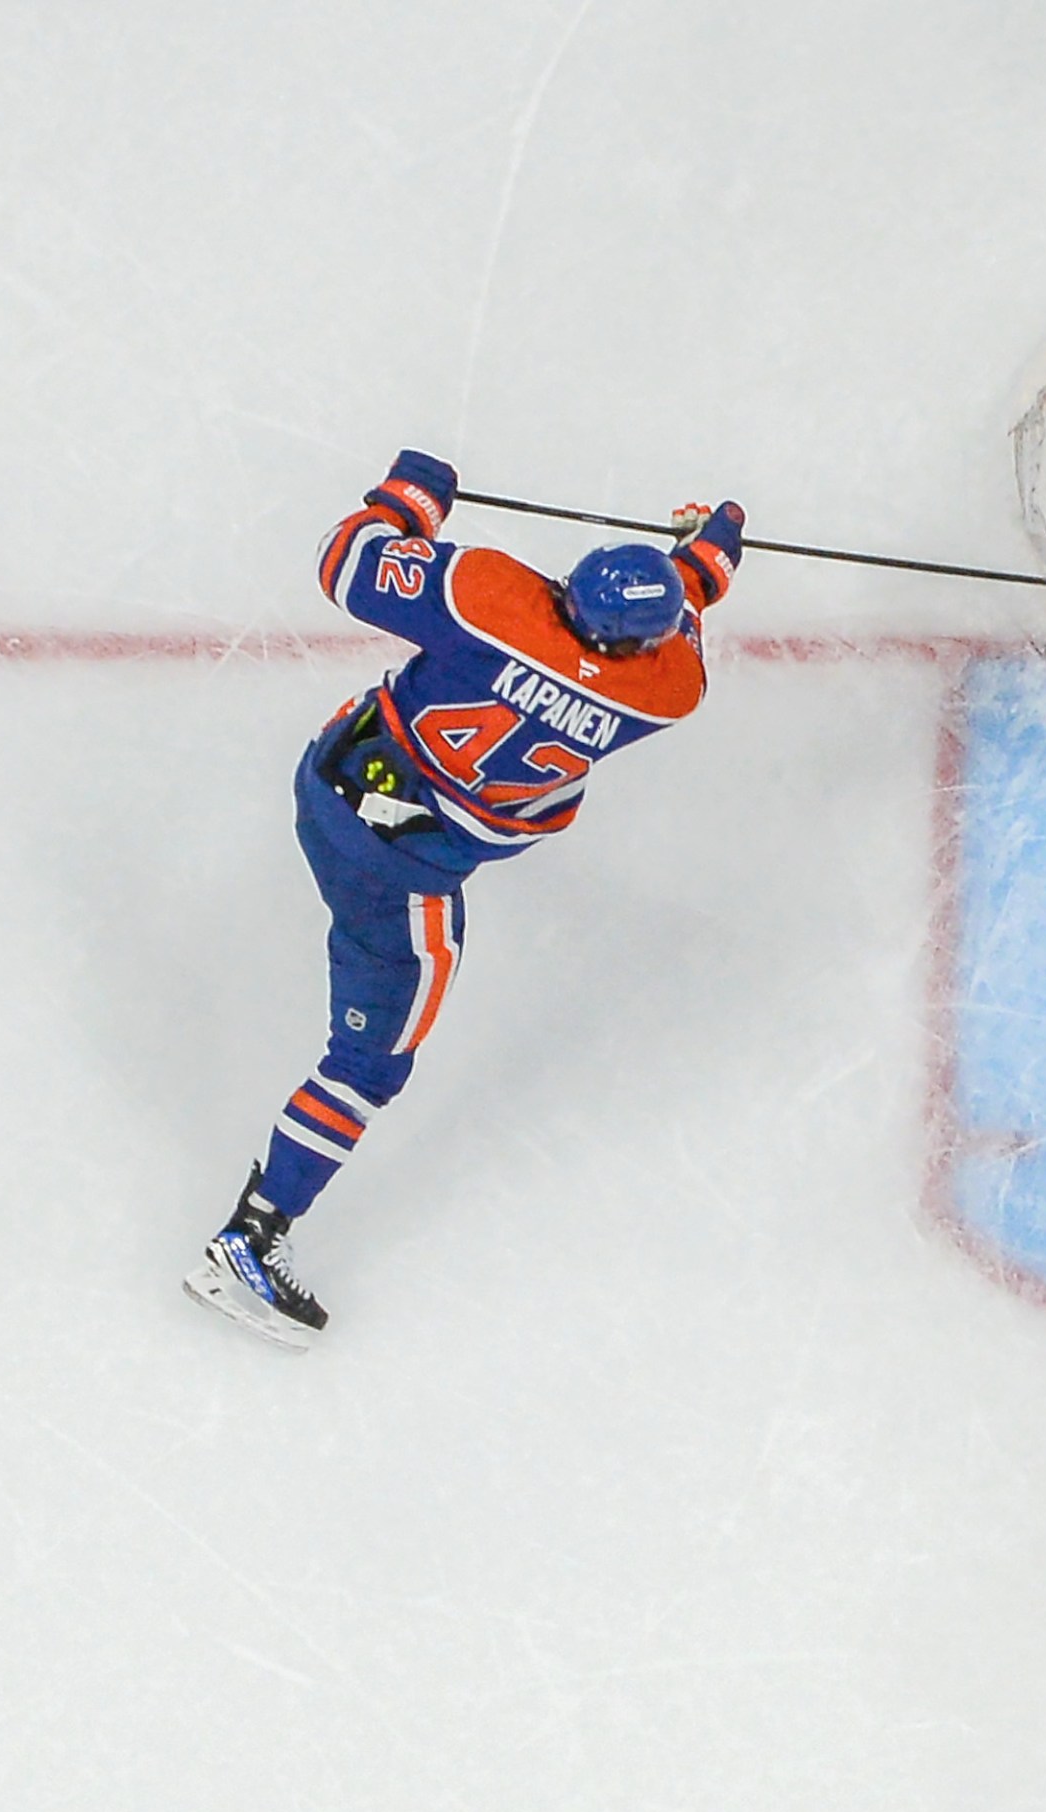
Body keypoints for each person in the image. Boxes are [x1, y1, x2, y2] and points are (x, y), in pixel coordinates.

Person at [185, 449, 745, 1347]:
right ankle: (248, 1237)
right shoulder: (669, 693)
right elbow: (675, 632)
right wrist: (704, 559)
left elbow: (344, 560)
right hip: (402, 880)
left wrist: (408, 498)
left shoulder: (488, 598)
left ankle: (258, 1225)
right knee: (367, 1066)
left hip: (328, 787)